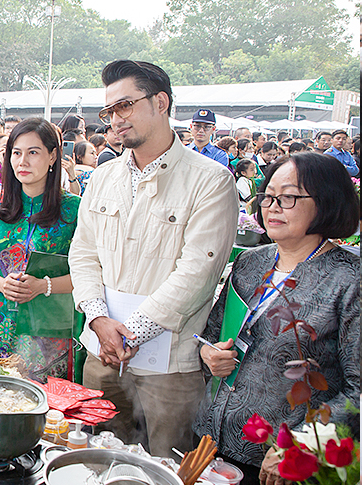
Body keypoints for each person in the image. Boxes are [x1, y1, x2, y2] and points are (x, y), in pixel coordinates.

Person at [69, 61, 238, 456]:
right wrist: (97, 319)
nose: (115, 120)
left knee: (165, 465)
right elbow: (83, 253)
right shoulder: (104, 176)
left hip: (170, 365)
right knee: (94, 459)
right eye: (109, 112)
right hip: (102, 353)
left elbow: (198, 273)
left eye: (125, 105)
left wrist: (132, 333)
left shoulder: (211, 180)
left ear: (161, 102)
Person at [194, 153, 360, 485]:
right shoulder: (250, 263)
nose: (272, 207)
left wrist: (302, 442)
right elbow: (212, 335)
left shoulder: (350, 279)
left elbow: (359, 389)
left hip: (281, 460)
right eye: (268, 196)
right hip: (211, 441)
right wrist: (210, 355)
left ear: (326, 201)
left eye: (288, 197)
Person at [0, 118, 80, 372]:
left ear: (53, 156)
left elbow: (90, 272)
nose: (23, 162)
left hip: (51, 330)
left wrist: (43, 285)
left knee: (48, 405)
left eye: (33, 153)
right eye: (16, 153)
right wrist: (1, 284)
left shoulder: (74, 209)